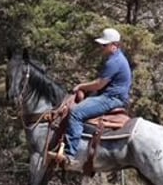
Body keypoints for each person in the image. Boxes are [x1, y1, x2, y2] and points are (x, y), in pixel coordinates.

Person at [56, 27, 132, 163]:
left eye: (104, 45)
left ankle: (70, 154)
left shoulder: (114, 62)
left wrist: (81, 86)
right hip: (113, 96)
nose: (101, 48)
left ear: (114, 45)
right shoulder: (117, 58)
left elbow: (99, 84)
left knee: (76, 113)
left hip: (111, 98)